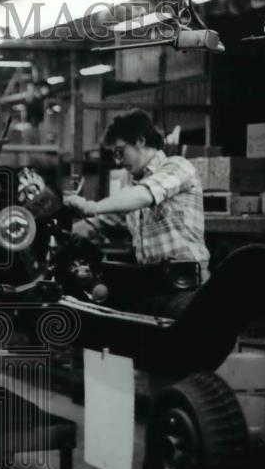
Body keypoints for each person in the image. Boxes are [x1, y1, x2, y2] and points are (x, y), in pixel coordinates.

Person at [63, 109, 209, 315]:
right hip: (152, 288)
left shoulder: (177, 167)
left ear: (140, 141)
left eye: (120, 152)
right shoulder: (131, 189)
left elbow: (145, 195)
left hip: (186, 290)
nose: (117, 161)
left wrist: (90, 206)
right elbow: (97, 223)